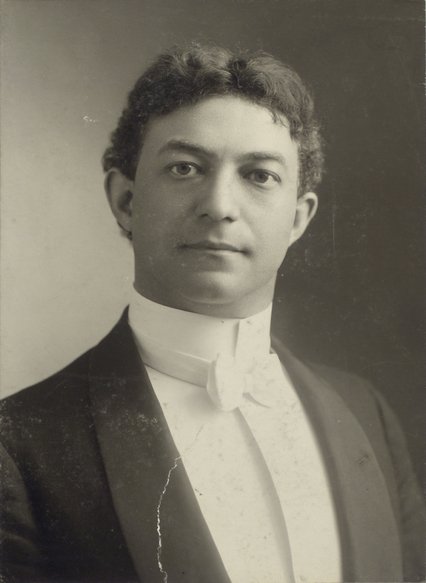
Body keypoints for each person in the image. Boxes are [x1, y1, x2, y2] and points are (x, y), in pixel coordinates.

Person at [0, 44, 424, 583]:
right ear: (126, 200)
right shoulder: (19, 445)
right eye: (185, 168)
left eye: (260, 175)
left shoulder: (367, 415)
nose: (220, 205)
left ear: (298, 219)